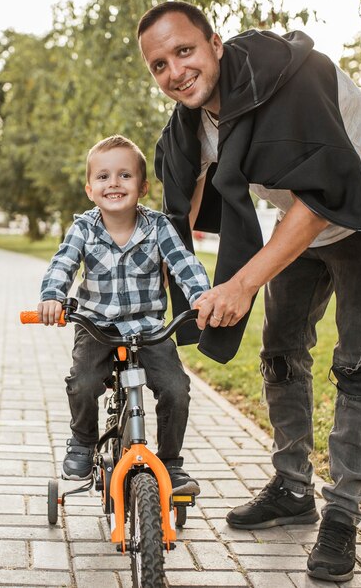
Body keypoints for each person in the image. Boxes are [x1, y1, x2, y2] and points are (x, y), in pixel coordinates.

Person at [137, 1, 361, 582]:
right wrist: (157, 280)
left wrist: (241, 283)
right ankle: (292, 487)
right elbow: (179, 202)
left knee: (360, 364)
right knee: (281, 353)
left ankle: (342, 514)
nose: (174, 72)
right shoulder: (192, 120)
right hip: (299, 215)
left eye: (183, 51)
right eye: (159, 65)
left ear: (215, 42)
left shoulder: (292, 83)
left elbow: (322, 198)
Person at [38, 134, 210, 495]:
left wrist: (201, 297)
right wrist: (53, 297)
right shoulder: (84, 227)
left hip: (147, 329)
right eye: (103, 177)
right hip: (96, 326)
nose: (113, 183)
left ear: (143, 186)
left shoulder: (158, 226)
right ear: (89, 189)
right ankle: (83, 442)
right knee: (83, 382)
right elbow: (62, 264)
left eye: (124, 175)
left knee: (176, 389)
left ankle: (171, 463)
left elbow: (185, 265)